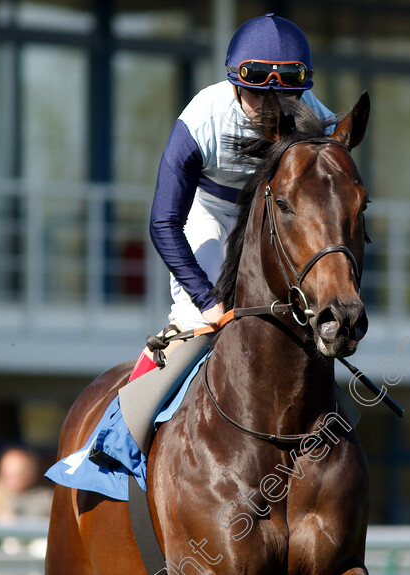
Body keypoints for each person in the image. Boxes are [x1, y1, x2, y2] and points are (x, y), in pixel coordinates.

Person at [129, 13, 335, 380]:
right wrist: (207, 301)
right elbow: (163, 222)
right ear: (236, 83)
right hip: (206, 212)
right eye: (256, 90)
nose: (269, 105)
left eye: (285, 95)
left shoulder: (320, 123)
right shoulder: (200, 119)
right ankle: (121, 430)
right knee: (197, 323)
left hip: (270, 220)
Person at [0, 447, 53, 520]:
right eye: (7, 474)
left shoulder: (46, 498)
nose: (10, 479)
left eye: (17, 474)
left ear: (32, 474)